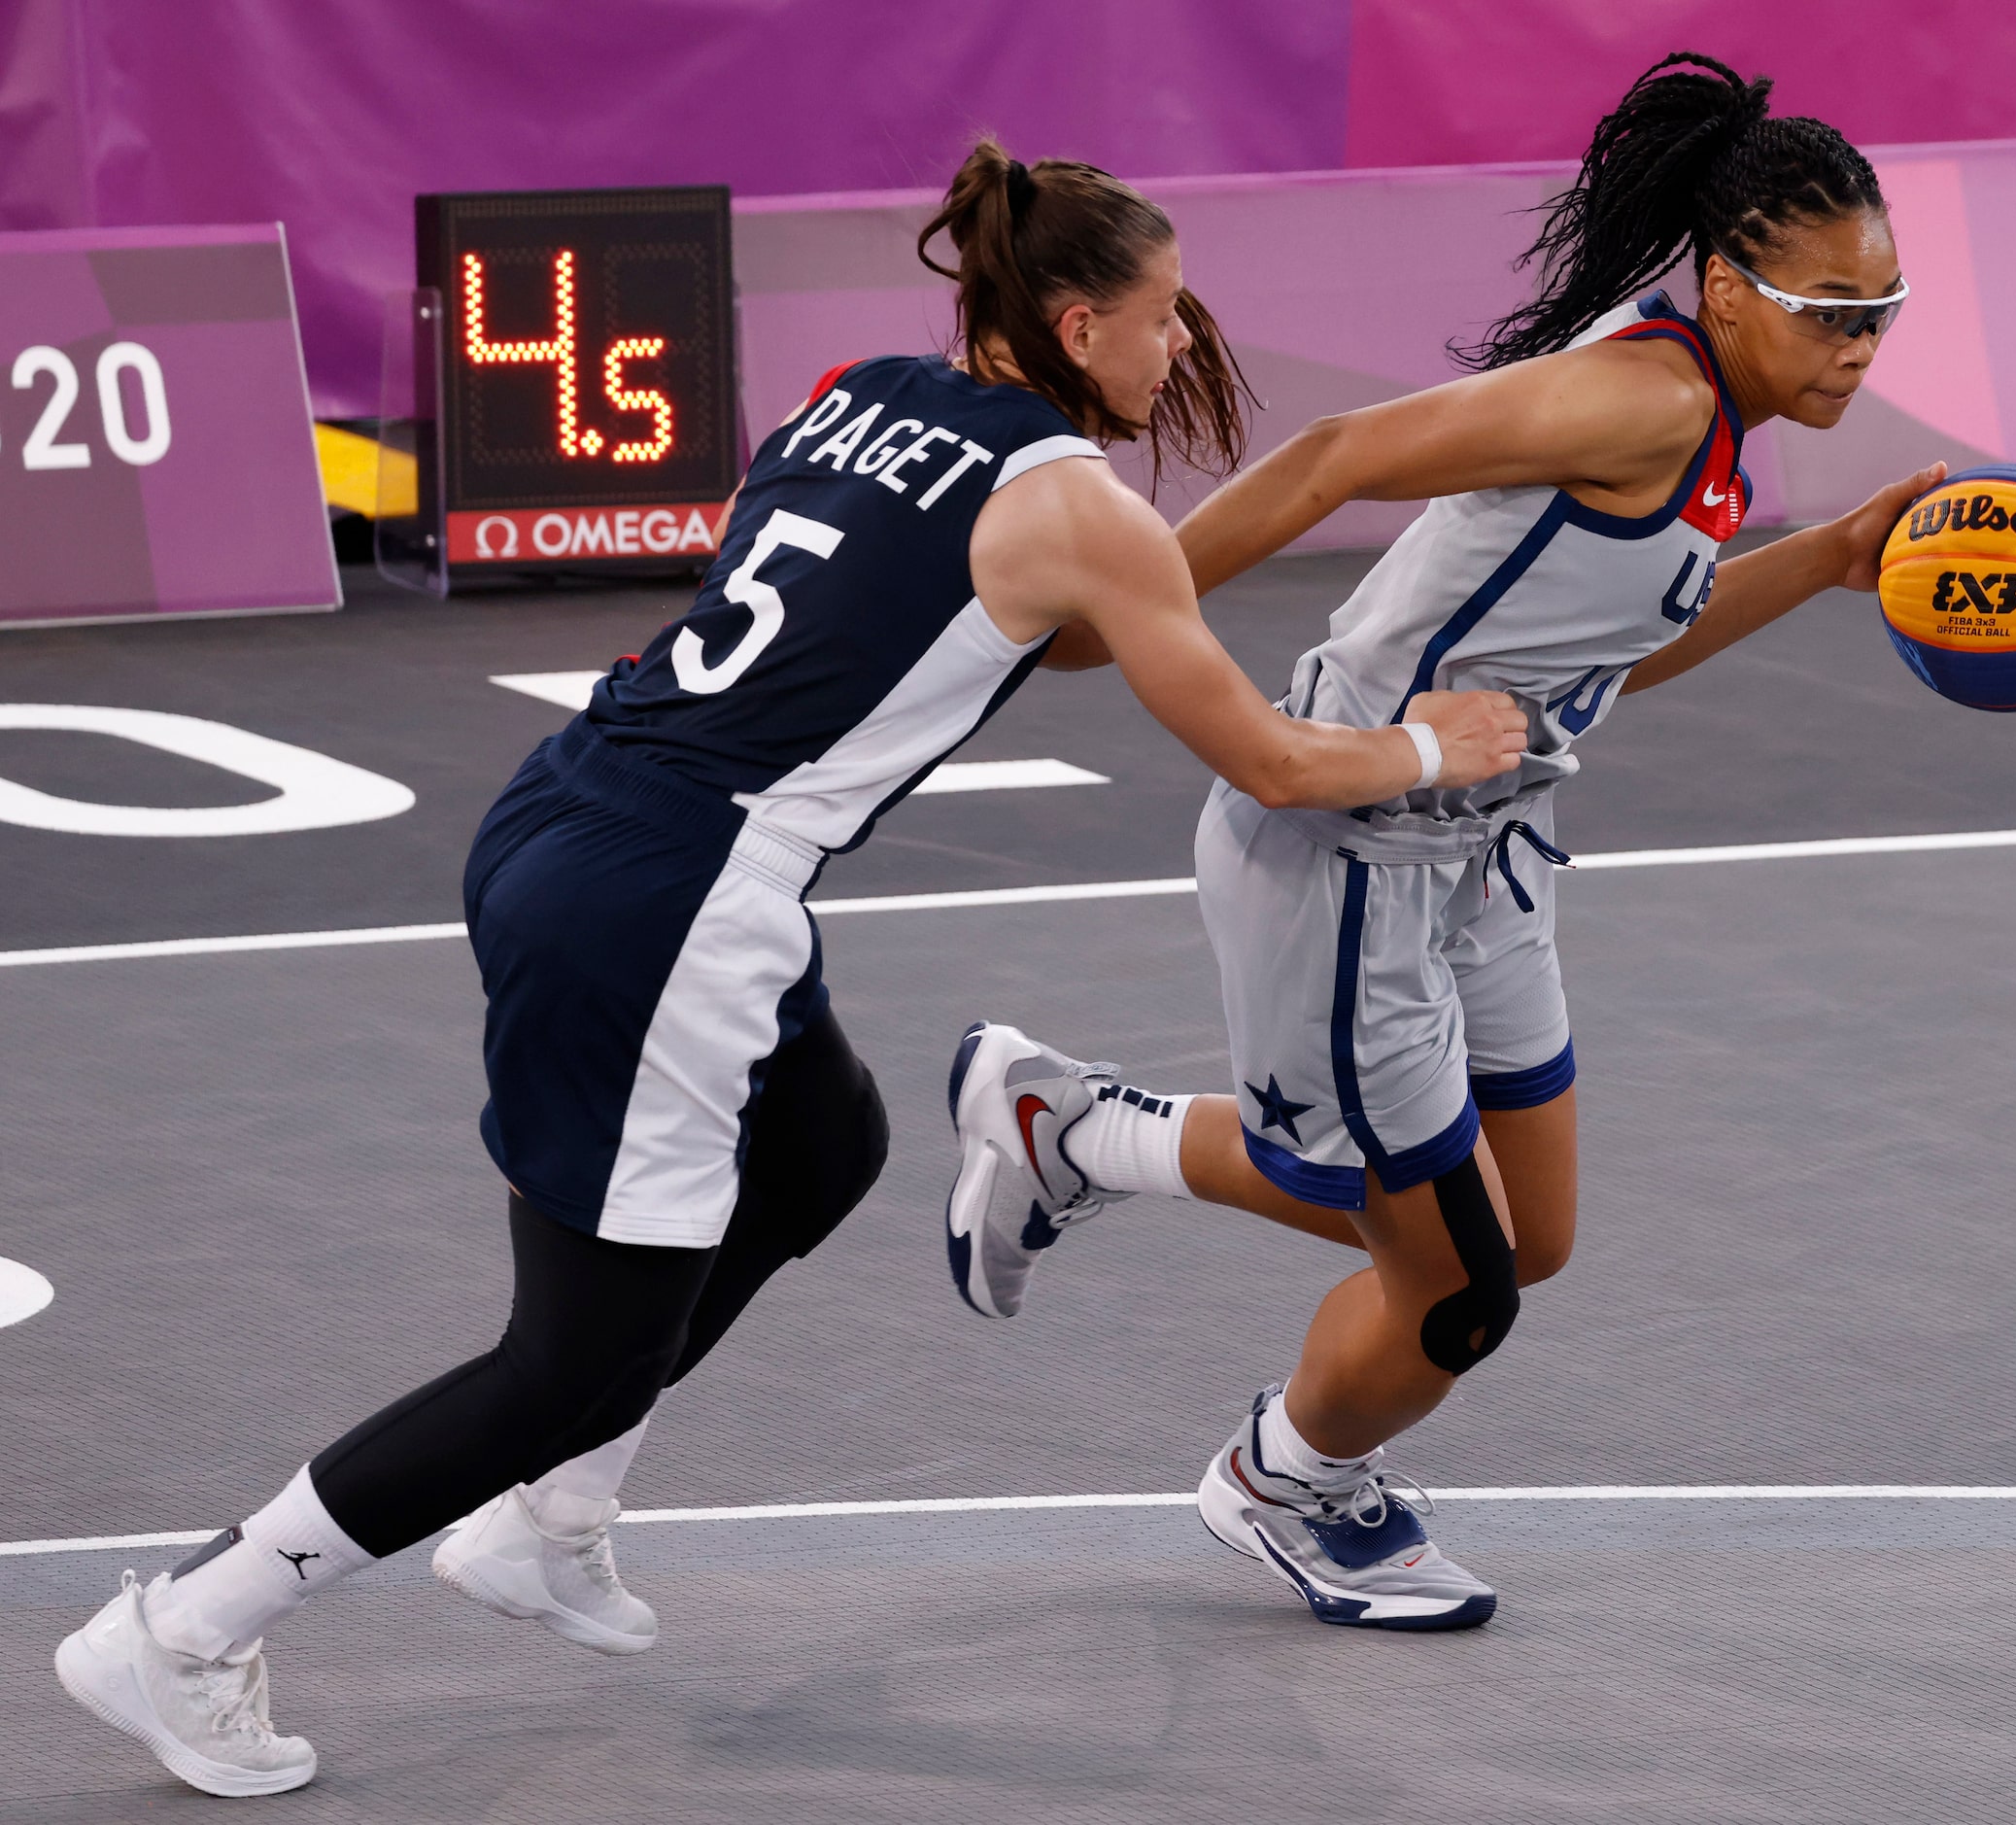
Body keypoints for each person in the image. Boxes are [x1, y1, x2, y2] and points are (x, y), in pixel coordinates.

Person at [52, 140, 1525, 1798]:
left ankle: (553, 1521)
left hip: (573, 808)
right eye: (1163, 317)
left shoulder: (852, 394)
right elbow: (1260, 756)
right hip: (678, 902)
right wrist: (1429, 742)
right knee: (570, 1357)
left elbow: (1039, 613)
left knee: (824, 1141)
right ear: (1071, 318)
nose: (1179, 347)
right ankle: (185, 1625)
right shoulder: (1071, 506)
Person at [943, 55, 1945, 1630]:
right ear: (1727, 287)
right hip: (1352, 845)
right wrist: (1122, 608)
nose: (1859, 341)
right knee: (1456, 1289)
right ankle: (1285, 1486)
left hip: (1489, 848)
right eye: (1829, 306)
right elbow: (1341, 452)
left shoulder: (1716, 425)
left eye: (1880, 307)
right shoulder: (1644, 396)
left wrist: (1823, 559)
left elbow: (1606, 654)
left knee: (1522, 1231)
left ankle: (1070, 1129)